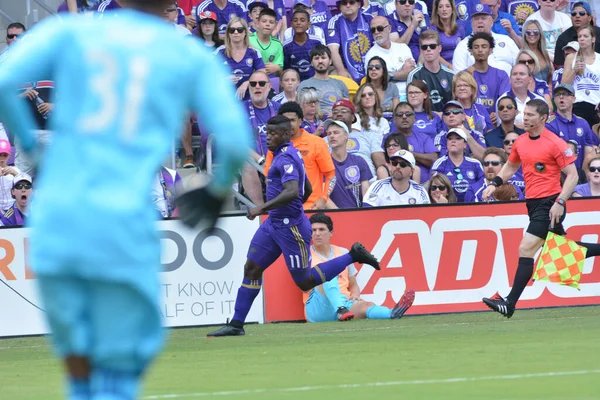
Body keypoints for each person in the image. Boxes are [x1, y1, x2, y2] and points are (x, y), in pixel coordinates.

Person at [0, 1, 253, 398]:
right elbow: (237, 138)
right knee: (119, 371)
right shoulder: (187, 54)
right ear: (171, 7)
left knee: (80, 364)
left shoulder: (71, 31)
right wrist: (218, 188)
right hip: (121, 220)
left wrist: (32, 145)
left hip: (56, 217)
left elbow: (3, 81)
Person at [208, 116, 381, 336]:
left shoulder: (286, 158)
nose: (268, 136)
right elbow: (306, 187)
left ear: (287, 134)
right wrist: (285, 209)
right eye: (267, 132)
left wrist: (262, 208)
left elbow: (292, 191)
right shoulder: (282, 154)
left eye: (274, 133)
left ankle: (352, 255)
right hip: (274, 224)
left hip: (291, 228)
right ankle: (236, 324)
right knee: (252, 268)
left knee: (304, 281)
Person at [482, 99, 600, 318]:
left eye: (530, 115)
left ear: (543, 118)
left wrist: (560, 202)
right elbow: (511, 165)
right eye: (524, 114)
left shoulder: (554, 143)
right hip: (534, 203)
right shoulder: (521, 141)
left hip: (550, 203)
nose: (525, 118)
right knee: (566, 250)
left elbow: (573, 176)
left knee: (526, 249)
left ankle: (509, 303)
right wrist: (494, 184)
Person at [305, 212, 415, 322]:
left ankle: (392, 313)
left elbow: (353, 284)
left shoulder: (343, 253)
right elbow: (305, 287)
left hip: (345, 304)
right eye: (314, 230)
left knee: (366, 305)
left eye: (321, 229)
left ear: (331, 233)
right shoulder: (305, 256)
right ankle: (340, 308)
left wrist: (355, 295)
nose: (317, 234)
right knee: (328, 274)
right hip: (317, 307)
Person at [263, 102, 335, 210]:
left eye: (292, 120)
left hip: (311, 208)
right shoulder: (274, 146)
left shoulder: (316, 143)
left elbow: (331, 175)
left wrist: (323, 199)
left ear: (300, 121)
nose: (289, 124)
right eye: (285, 121)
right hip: (283, 209)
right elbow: (268, 177)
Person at [243, 71, 280, 206]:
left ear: (269, 87)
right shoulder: (239, 109)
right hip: (251, 158)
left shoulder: (278, 108)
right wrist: (261, 160)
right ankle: (260, 209)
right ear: (249, 87)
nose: (257, 87)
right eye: (253, 84)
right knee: (248, 165)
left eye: (262, 83)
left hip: (276, 157)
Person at [452, 3, 519, 75]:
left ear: (492, 22)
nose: (480, 21)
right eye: (476, 19)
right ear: (471, 23)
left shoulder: (506, 40)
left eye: (483, 18)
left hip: (507, 84)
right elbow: (459, 75)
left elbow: (519, 65)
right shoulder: (463, 46)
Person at [329, 99, 387, 178]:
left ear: (353, 117)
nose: (339, 114)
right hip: (338, 184)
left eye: (343, 111)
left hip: (368, 182)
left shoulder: (369, 136)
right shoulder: (325, 140)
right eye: (335, 112)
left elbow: (381, 166)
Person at [547, 84, 598, 172]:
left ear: (574, 99)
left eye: (565, 94)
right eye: (558, 95)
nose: (561, 97)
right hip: (558, 174)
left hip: (580, 172)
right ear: (554, 99)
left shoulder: (583, 123)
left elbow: (588, 152)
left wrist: (583, 175)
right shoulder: (549, 124)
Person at [364, 16, 416, 101]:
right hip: (388, 98)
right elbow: (378, 81)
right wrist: (402, 72)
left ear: (389, 28)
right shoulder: (370, 56)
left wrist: (390, 75)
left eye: (380, 28)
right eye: (373, 30)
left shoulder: (403, 47)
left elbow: (413, 73)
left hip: (411, 95)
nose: (376, 32)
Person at [323, 120, 372, 208]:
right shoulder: (324, 164)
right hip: (335, 216)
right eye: (329, 134)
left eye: (336, 132)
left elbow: (366, 194)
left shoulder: (359, 161)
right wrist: (341, 215)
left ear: (346, 135)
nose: (332, 136)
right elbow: (323, 196)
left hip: (359, 215)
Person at [215, 18, 266, 100]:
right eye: (232, 30)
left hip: (249, 97)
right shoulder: (220, 52)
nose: (236, 32)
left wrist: (248, 83)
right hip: (225, 98)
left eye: (240, 30)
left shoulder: (254, 52)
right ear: (228, 33)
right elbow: (208, 74)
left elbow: (262, 75)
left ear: (245, 32)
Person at [407, 29, 455, 112]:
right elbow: (411, 104)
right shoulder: (414, 75)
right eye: (424, 47)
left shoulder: (451, 75)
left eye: (432, 46)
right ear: (421, 50)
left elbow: (455, 104)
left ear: (439, 48)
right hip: (424, 120)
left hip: (447, 119)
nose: (428, 49)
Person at [389, 102, 438, 183]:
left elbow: (434, 160)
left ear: (414, 118)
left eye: (408, 114)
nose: (404, 117)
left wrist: (410, 154)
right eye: (400, 114)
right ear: (394, 119)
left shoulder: (424, 137)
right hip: (396, 183)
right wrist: (420, 158)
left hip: (424, 184)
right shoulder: (388, 138)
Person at [431, 128, 485, 202]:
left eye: (458, 138)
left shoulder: (475, 163)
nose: (453, 141)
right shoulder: (439, 164)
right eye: (450, 139)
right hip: (447, 206)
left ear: (465, 144)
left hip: (473, 205)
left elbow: (483, 185)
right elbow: (435, 188)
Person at [466, 32, 511, 119]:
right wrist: (469, 79)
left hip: (495, 121)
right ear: (471, 51)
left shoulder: (501, 75)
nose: (480, 50)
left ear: (491, 50)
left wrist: (497, 114)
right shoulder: (465, 75)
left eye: (484, 46)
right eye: (476, 47)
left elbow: (505, 100)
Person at [327, 0, 374, 82]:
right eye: (344, 3)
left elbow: (379, 45)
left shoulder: (369, 18)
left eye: (351, 2)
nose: (348, 5)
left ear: (359, 4)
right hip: (347, 69)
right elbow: (333, 50)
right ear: (340, 7)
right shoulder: (334, 22)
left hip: (372, 66)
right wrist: (341, 71)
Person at [562, 25, 600, 127]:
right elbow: (564, 85)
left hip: (596, 105)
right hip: (577, 105)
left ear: (593, 39)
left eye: (585, 36)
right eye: (579, 36)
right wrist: (574, 71)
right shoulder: (571, 58)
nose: (582, 39)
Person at [298, 44, 349, 118]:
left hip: (339, 121)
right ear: (311, 63)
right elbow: (302, 111)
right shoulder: (304, 85)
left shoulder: (340, 84)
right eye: (316, 58)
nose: (320, 61)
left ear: (330, 61)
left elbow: (347, 108)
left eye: (323, 57)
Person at [363, 149, 429, 206]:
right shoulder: (378, 186)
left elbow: (427, 215)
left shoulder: (419, 191)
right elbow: (367, 212)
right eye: (394, 163)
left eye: (403, 164)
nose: (397, 166)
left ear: (411, 171)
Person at [553, 2, 600, 68]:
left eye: (582, 13)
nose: (577, 16)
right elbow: (559, 67)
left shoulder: (599, 33)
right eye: (574, 13)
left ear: (589, 18)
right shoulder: (563, 38)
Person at [498, 63, 544, 127]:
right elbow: (501, 126)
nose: (518, 77)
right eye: (514, 74)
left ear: (530, 79)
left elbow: (546, 124)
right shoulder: (502, 100)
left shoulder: (540, 100)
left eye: (522, 74)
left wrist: (524, 126)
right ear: (510, 79)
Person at [283, 9, 322, 81]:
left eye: (302, 20)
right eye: (295, 20)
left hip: (315, 82)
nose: (298, 23)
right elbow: (286, 69)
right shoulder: (286, 46)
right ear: (291, 24)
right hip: (295, 84)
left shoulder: (316, 42)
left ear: (309, 24)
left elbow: (321, 64)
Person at [430, 0, 466, 69]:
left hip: (460, 65)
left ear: (452, 9)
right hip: (441, 67)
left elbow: (465, 49)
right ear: (437, 11)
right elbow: (433, 53)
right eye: (440, 7)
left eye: (447, 6)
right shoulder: (432, 30)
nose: (444, 9)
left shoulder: (460, 28)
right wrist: (449, 66)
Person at [249, 8, 284, 78]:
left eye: (271, 22)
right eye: (264, 21)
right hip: (251, 80)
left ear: (275, 25)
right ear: (257, 23)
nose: (267, 24)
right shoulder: (248, 40)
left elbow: (280, 69)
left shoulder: (277, 44)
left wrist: (277, 68)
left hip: (270, 81)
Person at [365, 56, 400, 123]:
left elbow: (396, 112)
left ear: (383, 70)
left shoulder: (393, 87)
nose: (373, 69)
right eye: (370, 68)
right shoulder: (364, 89)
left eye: (377, 67)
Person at [0, 140, 20, 210]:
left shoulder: (15, 170)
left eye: (5, 155)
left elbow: (25, 185)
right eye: (0, 155)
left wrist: (15, 174)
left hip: (12, 207)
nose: (2, 159)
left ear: (9, 156)